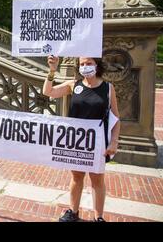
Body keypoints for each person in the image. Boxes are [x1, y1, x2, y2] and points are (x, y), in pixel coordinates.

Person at [42, 56, 120, 222]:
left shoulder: (108, 88)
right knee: (77, 177)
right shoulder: (74, 84)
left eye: (89, 63)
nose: (85, 66)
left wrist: (114, 141)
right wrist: (52, 70)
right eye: (82, 64)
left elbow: (116, 117)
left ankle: (98, 217)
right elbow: (48, 92)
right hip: (76, 141)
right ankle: (73, 211)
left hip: (97, 142)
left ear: (97, 65)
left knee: (97, 179)